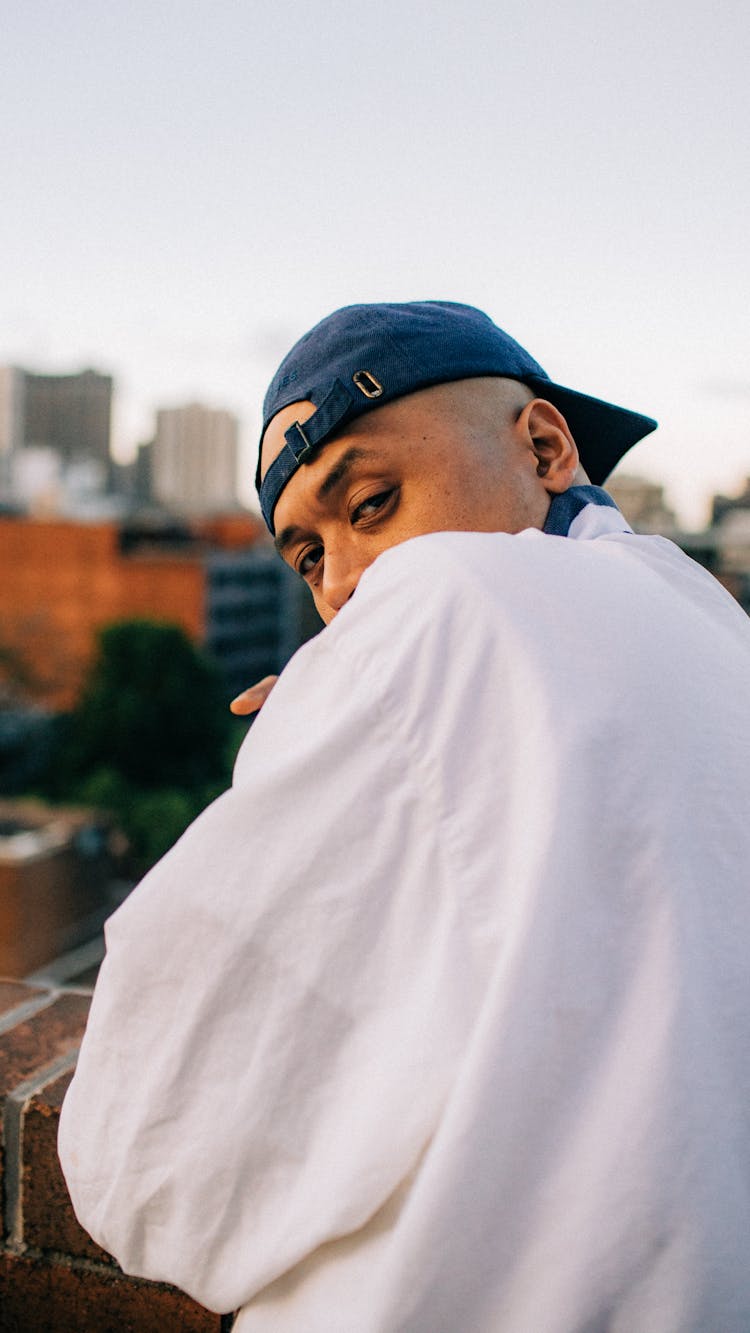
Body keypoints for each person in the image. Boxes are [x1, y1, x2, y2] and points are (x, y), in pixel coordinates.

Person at [59, 302, 750, 1332]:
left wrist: (334, 719)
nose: (342, 582)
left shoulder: (442, 609)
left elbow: (146, 1159)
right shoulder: (711, 622)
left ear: (547, 445)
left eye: (373, 501)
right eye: (306, 555)